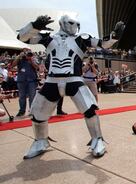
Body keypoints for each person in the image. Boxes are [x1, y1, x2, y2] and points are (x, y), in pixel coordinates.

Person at [17, 15, 123, 159]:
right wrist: (34, 25)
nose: (75, 26)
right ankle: (41, 141)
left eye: (77, 24)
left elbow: (103, 43)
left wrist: (114, 36)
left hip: (74, 79)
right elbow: (22, 38)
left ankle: (97, 140)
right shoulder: (49, 39)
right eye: (72, 23)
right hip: (52, 80)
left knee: (90, 108)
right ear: (63, 23)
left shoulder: (81, 39)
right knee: (37, 113)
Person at [11, 51, 39, 117]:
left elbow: (37, 67)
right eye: (27, 54)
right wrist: (19, 56)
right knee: (22, 97)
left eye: (29, 54)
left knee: (32, 96)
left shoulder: (33, 59)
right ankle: (21, 111)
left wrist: (31, 60)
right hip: (21, 80)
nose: (28, 55)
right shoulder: (20, 59)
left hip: (31, 80)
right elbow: (13, 65)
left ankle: (32, 111)